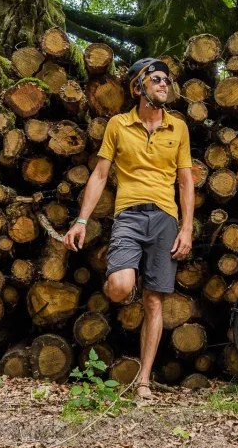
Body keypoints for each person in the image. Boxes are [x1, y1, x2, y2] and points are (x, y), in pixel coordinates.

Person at [63, 58, 195, 400]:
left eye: (167, 80)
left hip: (165, 218)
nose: (164, 84)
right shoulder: (118, 125)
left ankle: (144, 382)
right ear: (139, 87)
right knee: (121, 288)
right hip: (128, 216)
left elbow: (185, 182)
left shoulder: (179, 128)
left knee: (154, 301)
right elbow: (100, 175)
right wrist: (81, 220)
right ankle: (127, 278)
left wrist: (187, 228)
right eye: (157, 79)